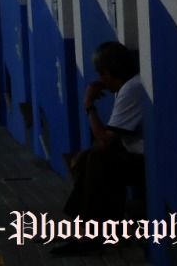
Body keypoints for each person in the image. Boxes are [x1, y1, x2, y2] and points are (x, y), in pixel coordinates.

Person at [53, 41, 147, 253]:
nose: (100, 81)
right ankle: (88, 228)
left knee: (98, 159)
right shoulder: (129, 87)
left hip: (143, 158)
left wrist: (89, 104)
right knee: (90, 157)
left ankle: (93, 234)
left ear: (108, 72)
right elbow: (108, 138)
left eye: (101, 74)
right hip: (131, 150)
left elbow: (105, 139)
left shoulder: (131, 90)